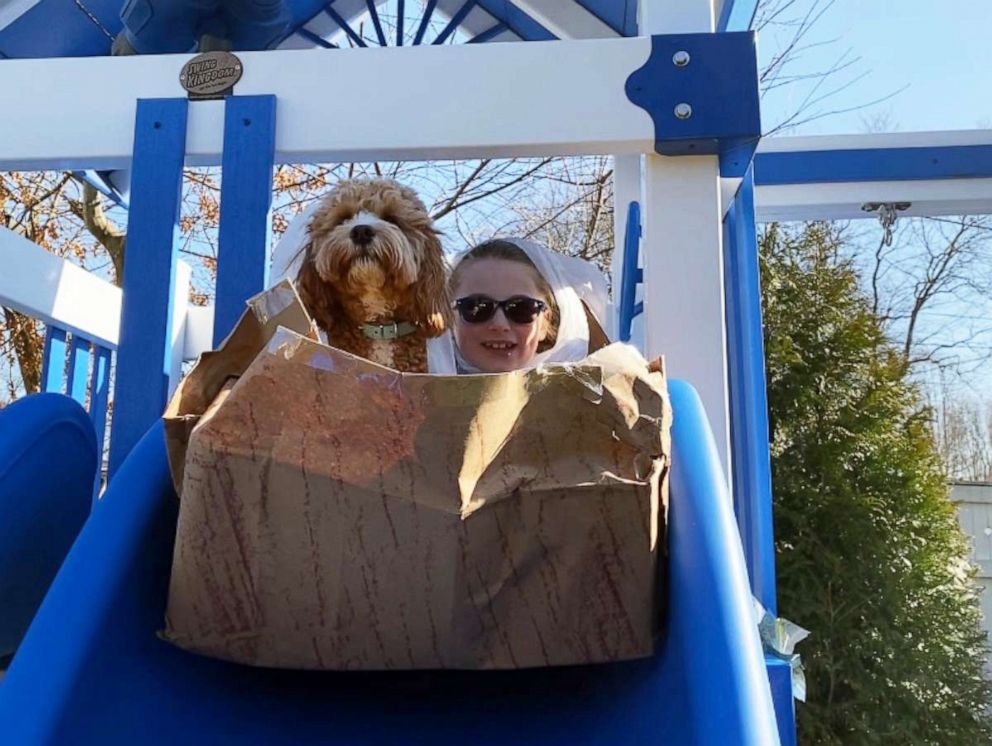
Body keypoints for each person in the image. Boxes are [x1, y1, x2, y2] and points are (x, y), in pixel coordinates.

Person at [428, 237, 608, 374]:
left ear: (546, 322)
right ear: (449, 318)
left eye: (521, 309)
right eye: (478, 307)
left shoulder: (592, 406)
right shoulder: (408, 401)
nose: (500, 325)